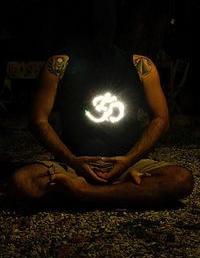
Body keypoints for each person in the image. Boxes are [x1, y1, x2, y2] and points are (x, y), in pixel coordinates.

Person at [7, 45, 194, 208]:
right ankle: (120, 192)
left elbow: (161, 119)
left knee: (180, 179)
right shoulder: (59, 64)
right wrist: (73, 161)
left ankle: (84, 193)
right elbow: (38, 120)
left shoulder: (141, 65)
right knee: (21, 182)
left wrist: (127, 161)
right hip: (73, 166)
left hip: (129, 164)